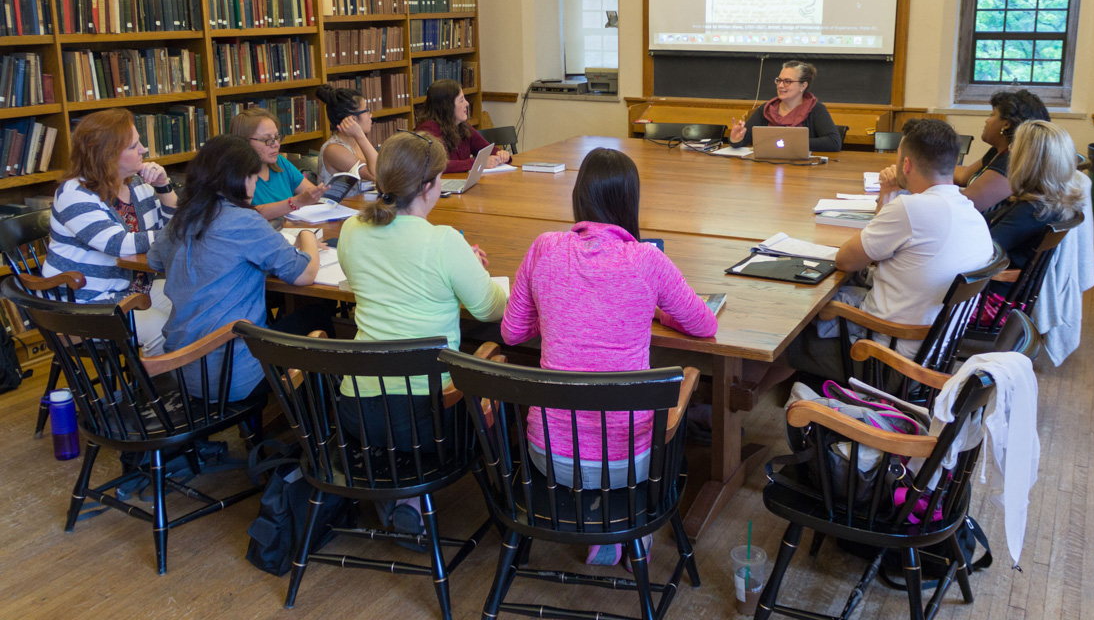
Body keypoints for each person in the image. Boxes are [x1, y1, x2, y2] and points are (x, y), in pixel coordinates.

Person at [501, 147, 718, 567]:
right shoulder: (647, 260)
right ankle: (624, 528)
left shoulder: (544, 248)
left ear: (579, 197)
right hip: (630, 462)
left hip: (548, 457)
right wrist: (657, 312)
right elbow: (704, 324)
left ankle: (598, 523)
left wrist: (554, 316)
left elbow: (511, 332)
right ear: (629, 201)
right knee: (667, 423)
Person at [337, 129, 507, 544]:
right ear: (430, 187)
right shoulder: (443, 242)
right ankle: (506, 493)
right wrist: (474, 270)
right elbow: (489, 309)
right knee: (495, 364)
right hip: (429, 416)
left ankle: (396, 492)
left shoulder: (351, 230)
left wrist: (459, 263)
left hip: (357, 410)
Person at [784, 118, 993, 381]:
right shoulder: (970, 212)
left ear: (906, 164)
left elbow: (846, 261)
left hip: (886, 360)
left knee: (783, 333)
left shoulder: (911, 209)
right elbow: (878, 246)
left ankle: (733, 404)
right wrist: (888, 193)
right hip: (934, 353)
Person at [148, 135, 320, 401]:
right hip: (234, 375)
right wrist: (308, 236)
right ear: (239, 178)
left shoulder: (181, 218)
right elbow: (305, 275)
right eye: (253, 176)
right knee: (317, 315)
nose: (255, 183)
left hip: (183, 369)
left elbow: (155, 261)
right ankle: (315, 423)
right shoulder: (244, 221)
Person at [43, 108, 176, 355]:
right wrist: (181, 232)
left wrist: (163, 186)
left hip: (133, 292)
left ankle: (182, 387)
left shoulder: (137, 184)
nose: (144, 150)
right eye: (134, 146)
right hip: (86, 304)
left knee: (195, 305)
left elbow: (168, 227)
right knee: (162, 330)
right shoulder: (74, 194)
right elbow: (118, 243)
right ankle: (155, 391)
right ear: (108, 155)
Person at [978, 120, 1085, 324]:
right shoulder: (1048, 202)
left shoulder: (1030, 212)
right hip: (1007, 296)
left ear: (1025, 161)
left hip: (992, 302)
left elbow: (980, 251)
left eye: (1013, 149)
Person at [955, 89, 1049, 213]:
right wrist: (925, 169)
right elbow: (963, 176)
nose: (986, 121)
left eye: (992, 115)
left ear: (1006, 124)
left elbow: (965, 205)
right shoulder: (998, 151)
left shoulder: (1012, 161)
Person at [229, 108, 327, 220]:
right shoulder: (235, 176)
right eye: (267, 139)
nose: (276, 144)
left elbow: (311, 193)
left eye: (276, 137)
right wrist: (296, 202)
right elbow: (247, 215)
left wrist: (316, 194)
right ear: (243, 141)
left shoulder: (280, 162)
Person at [729, 61, 841, 152]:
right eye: (779, 80)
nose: (780, 85)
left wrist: (790, 141)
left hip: (803, 171)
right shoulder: (767, 109)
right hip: (766, 169)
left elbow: (834, 142)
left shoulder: (816, 109)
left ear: (803, 85)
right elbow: (743, 140)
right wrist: (736, 139)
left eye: (787, 81)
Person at [415, 79, 511, 173]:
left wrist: (501, 154)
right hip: (442, 186)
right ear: (447, 106)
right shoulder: (428, 129)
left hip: (462, 183)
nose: (467, 104)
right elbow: (436, 164)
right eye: (461, 100)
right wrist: (476, 163)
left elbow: (486, 149)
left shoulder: (461, 125)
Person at [316, 83, 379, 187]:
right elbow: (377, 174)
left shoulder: (356, 143)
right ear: (352, 119)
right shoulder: (333, 149)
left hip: (359, 202)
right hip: (342, 203)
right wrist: (360, 135)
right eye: (366, 110)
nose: (370, 115)